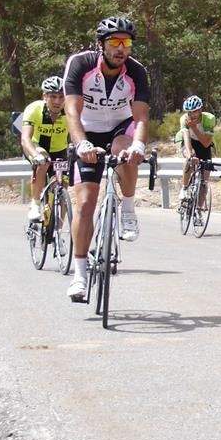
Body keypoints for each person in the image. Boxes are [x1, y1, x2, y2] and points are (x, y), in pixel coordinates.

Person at [61, 16, 151, 301]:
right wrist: (81, 143)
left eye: (126, 42)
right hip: (87, 132)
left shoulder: (136, 71)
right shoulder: (81, 64)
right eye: (114, 42)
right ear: (101, 44)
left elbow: (141, 116)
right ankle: (79, 275)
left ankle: (128, 208)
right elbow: (71, 112)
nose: (121, 48)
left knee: (127, 151)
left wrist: (139, 145)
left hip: (120, 128)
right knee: (85, 204)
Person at [17, 76, 70, 222]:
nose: (57, 101)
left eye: (61, 97)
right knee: (43, 161)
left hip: (60, 150)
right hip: (36, 147)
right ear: (44, 96)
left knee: (64, 183)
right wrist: (35, 155)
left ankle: (58, 228)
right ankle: (35, 204)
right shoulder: (34, 109)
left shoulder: (69, 110)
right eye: (53, 96)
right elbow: (25, 139)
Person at [174, 95, 216, 221]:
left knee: (204, 180)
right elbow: (186, 138)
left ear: (201, 110)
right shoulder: (184, 119)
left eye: (195, 111)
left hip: (203, 143)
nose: (192, 115)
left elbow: (206, 143)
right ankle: (184, 188)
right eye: (190, 112)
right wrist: (190, 154)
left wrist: (194, 127)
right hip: (189, 141)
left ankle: (198, 209)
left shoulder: (209, 119)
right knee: (189, 159)